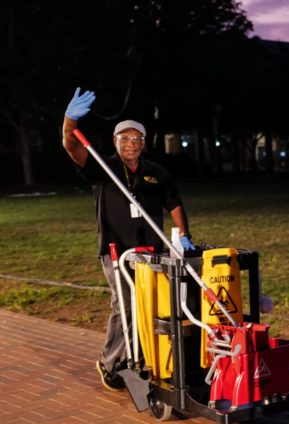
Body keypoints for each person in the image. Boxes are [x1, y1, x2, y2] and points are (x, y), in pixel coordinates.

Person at [61, 87, 196, 392]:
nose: (131, 144)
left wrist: (184, 235)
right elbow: (70, 145)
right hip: (116, 251)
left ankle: (141, 357)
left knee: (151, 306)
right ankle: (111, 363)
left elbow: (174, 204)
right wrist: (69, 122)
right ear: (115, 142)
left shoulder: (156, 173)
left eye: (136, 139)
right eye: (125, 138)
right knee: (125, 306)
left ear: (144, 143)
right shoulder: (101, 166)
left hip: (152, 252)